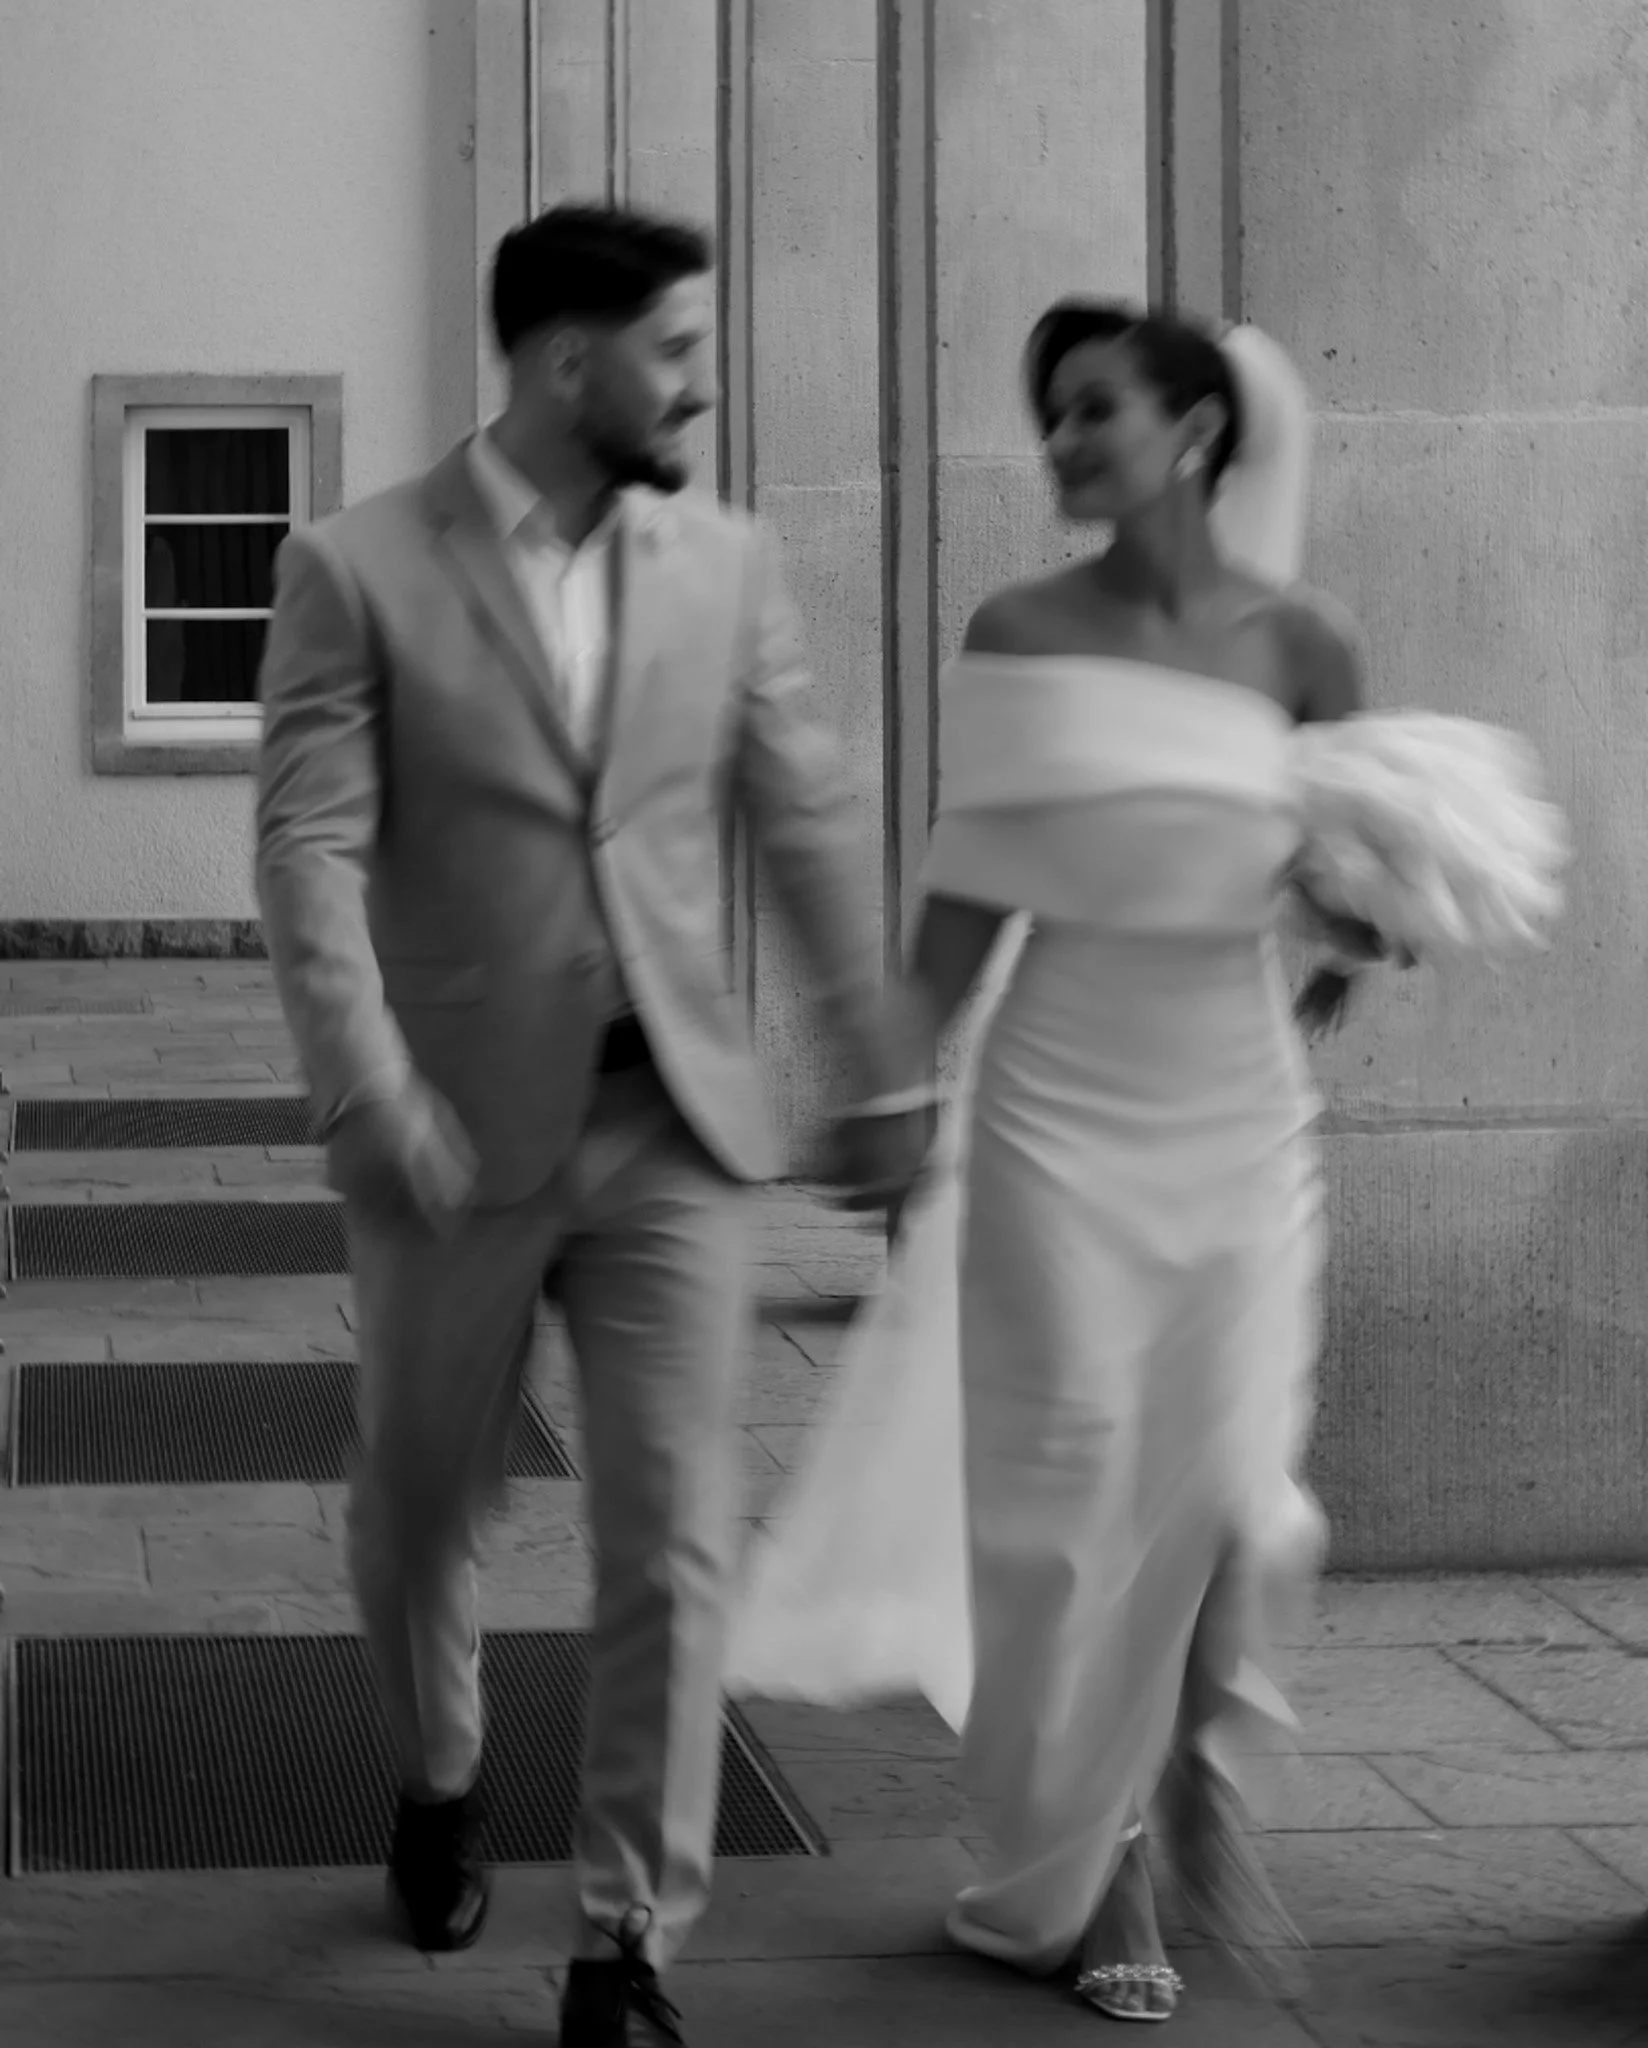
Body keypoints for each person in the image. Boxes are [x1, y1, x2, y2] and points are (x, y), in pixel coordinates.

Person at [254, 202, 925, 2048]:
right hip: (447, 1138)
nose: (698, 383)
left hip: (674, 1134)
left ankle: (631, 1946)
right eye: (676, 349)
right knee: (413, 1512)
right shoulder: (358, 563)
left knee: (672, 1539)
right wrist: (366, 1084)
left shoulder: (726, 560)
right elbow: (306, 848)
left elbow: (805, 816)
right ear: (569, 360)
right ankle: (437, 1777)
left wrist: (879, 1066)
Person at [730, 304, 1368, 2025]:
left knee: (1237, 1491)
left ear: (1197, 432)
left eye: (1096, 408)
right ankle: (1101, 1866)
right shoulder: (1016, 629)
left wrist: (1366, 931)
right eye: (1052, 417)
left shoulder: (1307, 649)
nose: (1064, 441)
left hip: (1240, 1126)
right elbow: (961, 905)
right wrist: (883, 1085)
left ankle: (1198, 1769)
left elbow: (1341, 915)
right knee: (1064, 1514)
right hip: (1054, 1124)